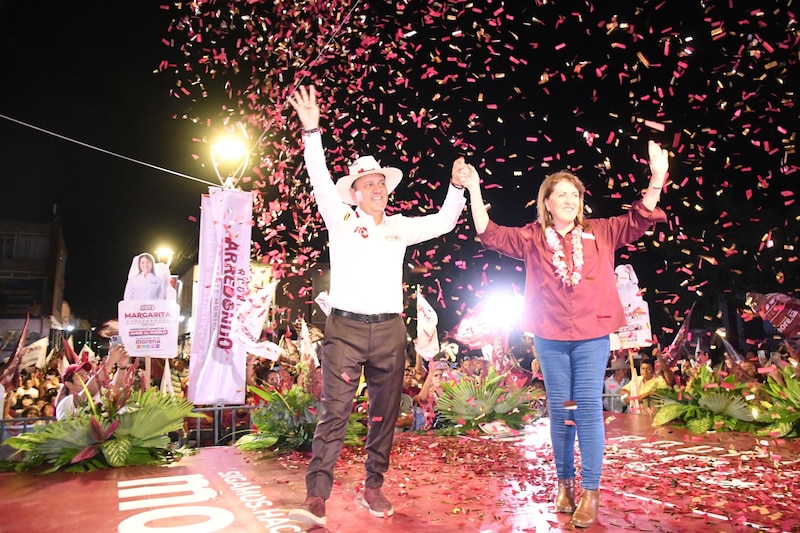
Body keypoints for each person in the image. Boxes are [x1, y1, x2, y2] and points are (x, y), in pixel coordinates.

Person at [460, 140, 669, 528]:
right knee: (562, 410)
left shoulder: (603, 232)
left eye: (575, 195)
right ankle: (564, 484)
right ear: (548, 204)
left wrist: (657, 177)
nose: (569, 200)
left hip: (592, 334)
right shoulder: (532, 237)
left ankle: (590, 490)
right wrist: (473, 188)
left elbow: (641, 216)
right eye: (561, 195)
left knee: (586, 407)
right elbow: (489, 232)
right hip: (550, 335)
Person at [286, 85, 468, 527]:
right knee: (335, 413)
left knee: (386, 414)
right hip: (345, 331)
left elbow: (444, 221)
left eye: (381, 184)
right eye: (369, 185)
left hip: (389, 332)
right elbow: (318, 180)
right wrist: (312, 131)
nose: (377, 190)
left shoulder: (400, 228)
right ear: (354, 193)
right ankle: (317, 494)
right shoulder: (341, 220)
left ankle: (373, 485)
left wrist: (456, 187)